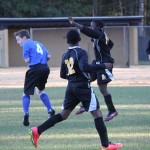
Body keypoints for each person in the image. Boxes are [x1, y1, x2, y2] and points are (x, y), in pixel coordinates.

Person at [29, 29, 122, 150]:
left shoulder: (65, 54)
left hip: (71, 87)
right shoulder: (81, 52)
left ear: (67, 41)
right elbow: (85, 67)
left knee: (63, 115)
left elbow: (63, 74)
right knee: (97, 113)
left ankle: (37, 130)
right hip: (82, 87)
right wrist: (102, 66)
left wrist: (74, 76)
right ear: (79, 39)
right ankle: (105, 145)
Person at [68, 17, 118, 122]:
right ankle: (85, 104)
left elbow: (88, 31)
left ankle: (112, 110)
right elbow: (111, 44)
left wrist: (74, 23)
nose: (91, 27)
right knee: (86, 79)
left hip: (105, 64)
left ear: (98, 27)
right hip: (98, 63)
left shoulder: (99, 34)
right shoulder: (99, 36)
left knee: (102, 89)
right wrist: (105, 50)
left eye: (92, 25)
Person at [14, 29, 55, 126]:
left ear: (24, 38)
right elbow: (49, 56)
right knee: (39, 91)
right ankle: (50, 110)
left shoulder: (26, 44)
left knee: (26, 93)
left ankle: (26, 113)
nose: (17, 42)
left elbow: (27, 60)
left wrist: (33, 61)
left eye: (18, 39)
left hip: (35, 69)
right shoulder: (38, 43)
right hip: (45, 68)